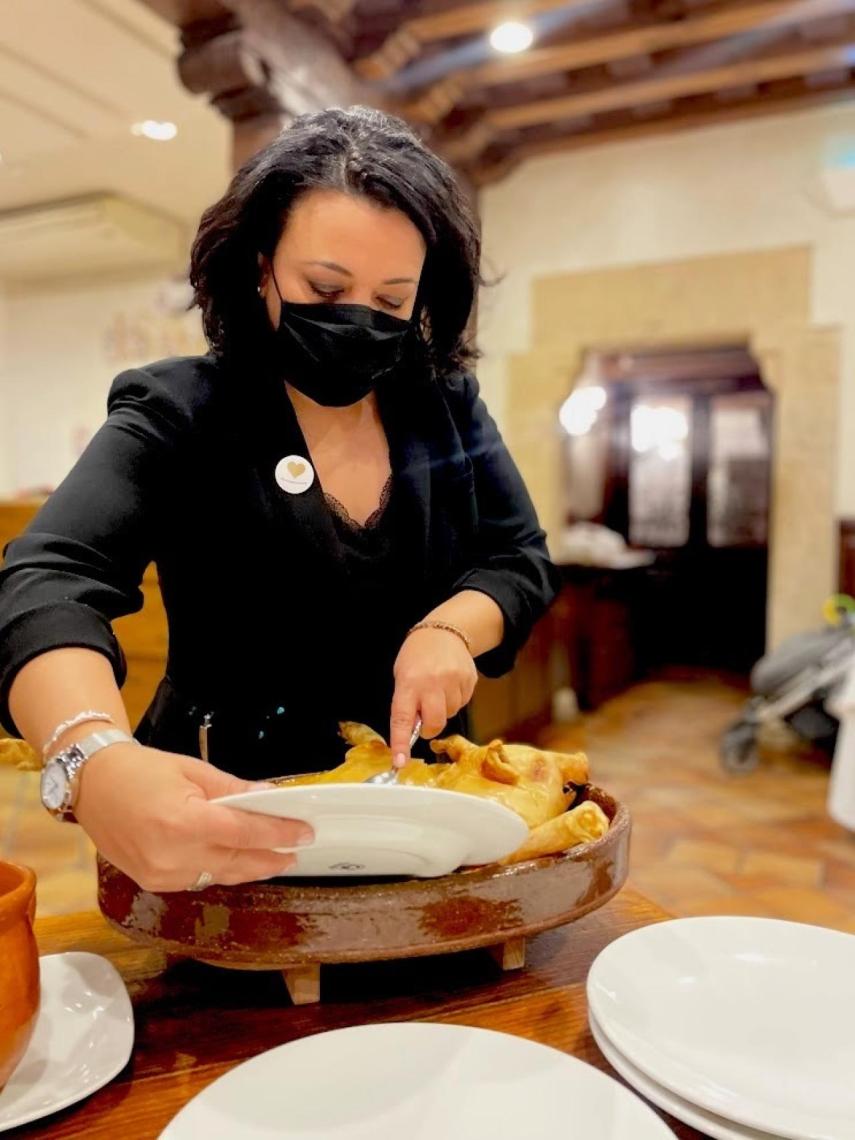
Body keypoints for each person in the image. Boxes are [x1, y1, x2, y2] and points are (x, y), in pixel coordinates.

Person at [0, 106, 559, 893]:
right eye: (324, 288)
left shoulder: (443, 408)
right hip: (222, 809)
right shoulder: (182, 411)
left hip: (418, 799)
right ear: (260, 268)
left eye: (391, 301)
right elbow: (48, 579)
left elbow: (518, 558)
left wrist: (450, 629)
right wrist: (93, 757)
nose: (358, 319)